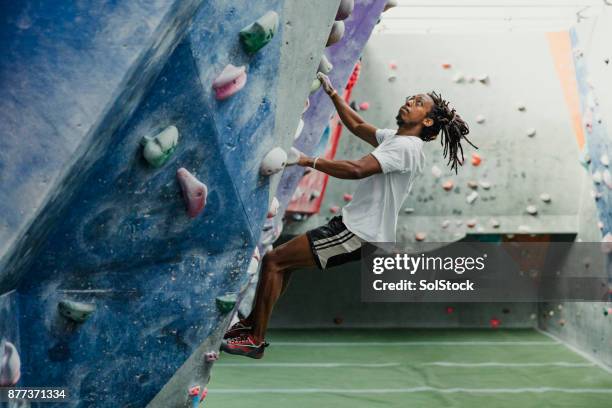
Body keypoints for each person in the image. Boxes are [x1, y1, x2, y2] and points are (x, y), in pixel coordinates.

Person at [221, 72, 475, 359]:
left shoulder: (406, 148)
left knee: (275, 261)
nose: (409, 102)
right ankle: (250, 328)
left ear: (427, 121)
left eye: (417, 103)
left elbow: (357, 170)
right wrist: (333, 94)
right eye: (410, 98)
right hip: (352, 228)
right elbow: (357, 125)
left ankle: (254, 337)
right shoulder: (396, 139)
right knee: (282, 263)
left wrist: (306, 160)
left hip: (358, 234)